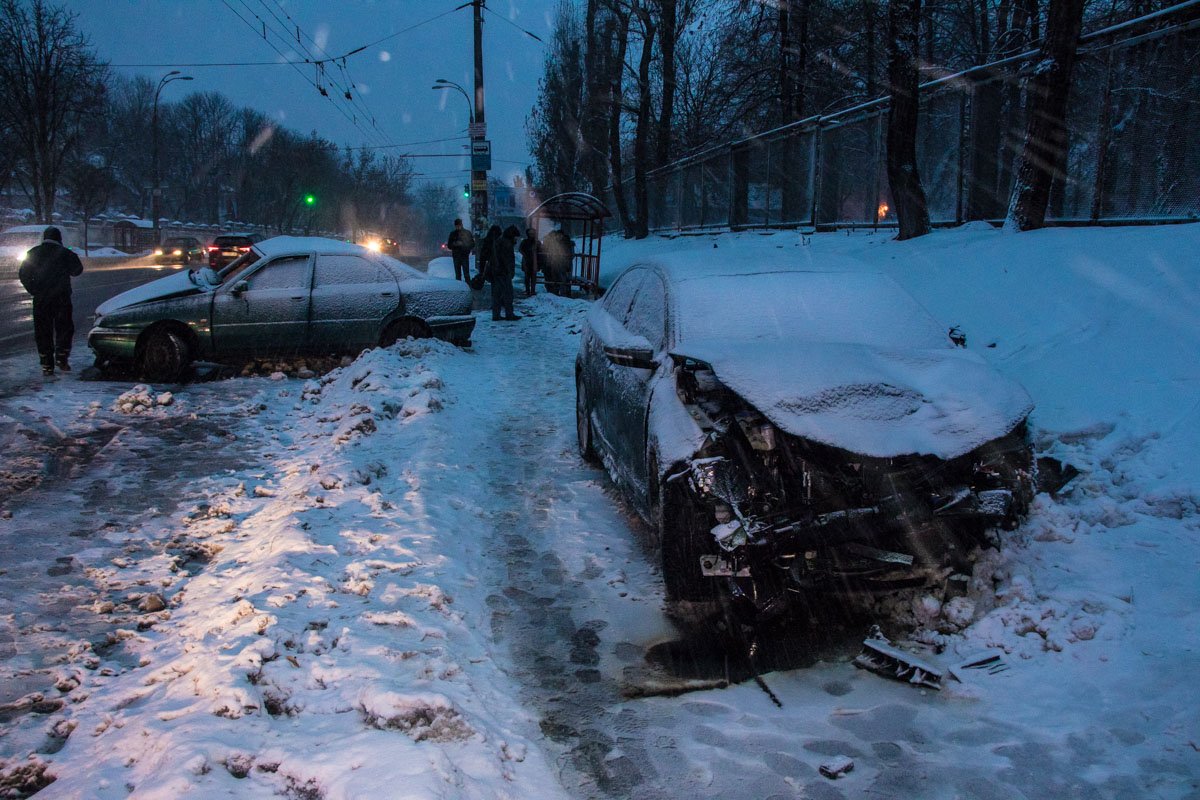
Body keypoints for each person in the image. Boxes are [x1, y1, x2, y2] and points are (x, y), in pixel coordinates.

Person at [18, 226, 83, 376]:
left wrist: (34, 289)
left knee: (43, 331)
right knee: (64, 328)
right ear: (59, 238)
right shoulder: (65, 253)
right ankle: (62, 356)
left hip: (41, 299)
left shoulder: (33, 253)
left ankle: (47, 363)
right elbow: (77, 270)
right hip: (62, 298)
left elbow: (23, 274)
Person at [490, 225, 521, 322]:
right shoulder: (507, 244)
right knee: (508, 294)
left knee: (497, 294)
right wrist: (510, 272)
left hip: (496, 271)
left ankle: (496, 314)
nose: (516, 239)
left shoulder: (499, 241)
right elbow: (508, 260)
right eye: (516, 237)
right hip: (503, 272)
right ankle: (509, 314)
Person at [445, 218, 475, 283]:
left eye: (458, 225)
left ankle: (467, 286)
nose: (457, 227)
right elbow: (449, 245)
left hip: (463, 255)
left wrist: (464, 245)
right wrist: (456, 244)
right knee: (458, 275)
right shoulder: (453, 234)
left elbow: (472, 244)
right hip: (457, 256)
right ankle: (460, 287)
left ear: (461, 225)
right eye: (456, 226)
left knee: (466, 274)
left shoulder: (467, 233)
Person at [476, 225, 501, 289]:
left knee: (492, 278)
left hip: (488, 261)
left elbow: (483, 253)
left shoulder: (487, 240)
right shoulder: (497, 240)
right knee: (495, 279)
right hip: (493, 261)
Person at [518, 228, 541, 297]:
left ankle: (533, 290)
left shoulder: (537, 242)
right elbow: (520, 249)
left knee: (533, 277)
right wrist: (525, 254)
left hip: (534, 261)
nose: (531, 235)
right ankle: (528, 290)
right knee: (527, 277)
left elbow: (540, 250)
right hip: (527, 261)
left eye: (532, 234)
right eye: (530, 234)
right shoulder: (525, 242)